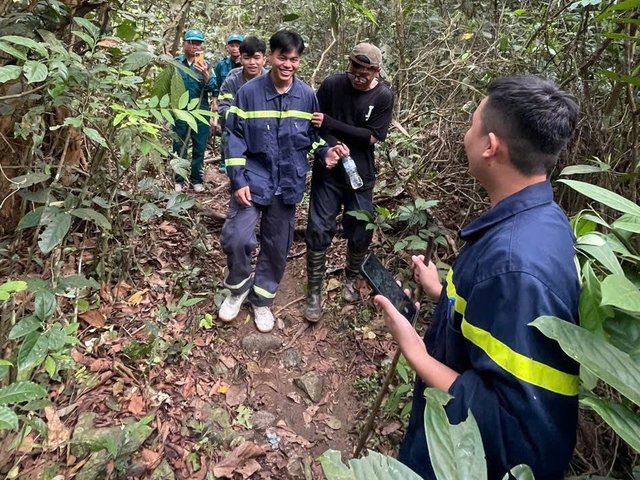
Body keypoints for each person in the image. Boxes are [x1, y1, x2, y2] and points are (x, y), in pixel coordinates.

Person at [375, 76, 580, 479]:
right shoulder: (543, 221)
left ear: (490, 146)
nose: (465, 135)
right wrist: (443, 295)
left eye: (472, 125)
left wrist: (416, 353)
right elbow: (499, 328)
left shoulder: (515, 264)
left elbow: (514, 430)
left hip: (460, 459)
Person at [218, 30, 347, 333]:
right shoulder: (248, 93)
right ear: (271, 57)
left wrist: (326, 152)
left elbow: (311, 137)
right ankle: (238, 289)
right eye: (283, 57)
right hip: (252, 178)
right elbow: (234, 137)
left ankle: (262, 299)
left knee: (277, 245)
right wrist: (237, 180)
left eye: (294, 59)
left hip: (288, 181)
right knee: (237, 238)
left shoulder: (307, 96)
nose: (288, 64)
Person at [304, 43, 394, 322]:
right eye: (355, 68)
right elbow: (315, 124)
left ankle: (351, 279)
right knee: (318, 228)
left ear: (376, 71)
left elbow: (371, 136)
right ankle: (314, 291)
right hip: (328, 172)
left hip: (360, 176)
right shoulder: (332, 85)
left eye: (366, 71)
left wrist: (332, 124)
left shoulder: (383, 96)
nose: (358, 75)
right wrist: (331, 144)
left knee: (360, 229)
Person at [172, 29, 217, 193]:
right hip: (180, 110)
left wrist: (205, 74)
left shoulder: (206, 64)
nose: (194, 46)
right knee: (179, 145)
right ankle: (178, 179)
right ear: (184, 43)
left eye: (198, 43)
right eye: (191, 42)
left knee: (199, 146)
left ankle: (196, 179)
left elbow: (214, 88)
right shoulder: (176, 63)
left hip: (200, 110)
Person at [217, 36, 268, 173]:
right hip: (237, 133)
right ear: (240, 59)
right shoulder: (232, 80)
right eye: (247, 58)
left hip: (264, 134)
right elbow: (223, 109)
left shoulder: (272, 80)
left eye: (256, 58)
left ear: (264, 59)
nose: (252, 63)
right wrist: (243, 121)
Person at [212, 33, 244, 171]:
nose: (235, 48)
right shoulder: (221, 65)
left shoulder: (247, 62)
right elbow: (216, 84)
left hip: (244, 103)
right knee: (226, 131)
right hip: (227, 102)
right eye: (232, 45)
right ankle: (224, 162)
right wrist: (214, 102)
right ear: (227, 47)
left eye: (238, 45)